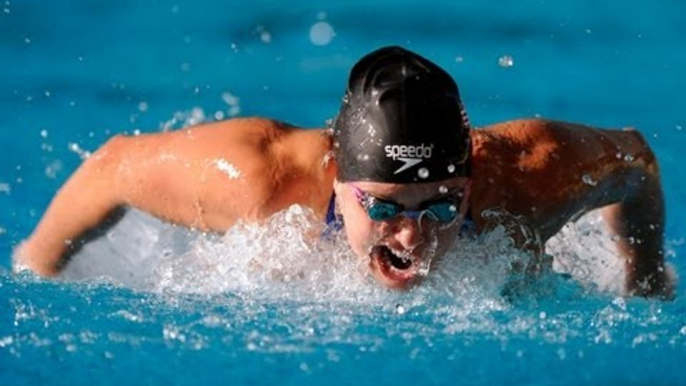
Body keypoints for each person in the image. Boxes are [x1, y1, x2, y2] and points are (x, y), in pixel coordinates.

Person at [15, 46, 674, 298]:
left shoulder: (530, 181)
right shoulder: (262, 185)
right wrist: (36, 269)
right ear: (338, 180)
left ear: (471, 180)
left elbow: (638, 160)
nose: (413, 237)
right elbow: (110, 167)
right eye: (384, 206)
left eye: (442, 206)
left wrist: (644, 275)